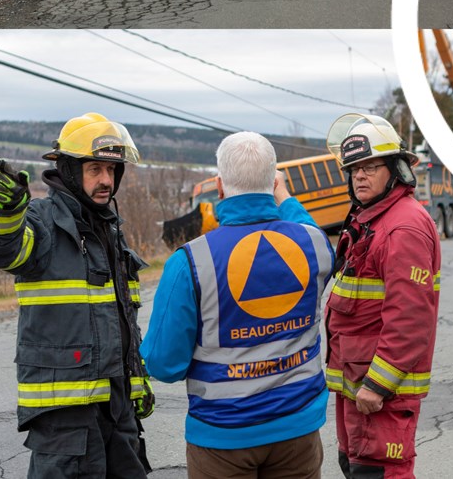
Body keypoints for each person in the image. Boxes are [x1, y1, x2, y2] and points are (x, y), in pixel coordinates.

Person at [140, 132, 333, 479]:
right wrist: (285, 196)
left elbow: (164, 364)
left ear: (218, 184)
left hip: (222, 437)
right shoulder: (314, 244)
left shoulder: (191, 260)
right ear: (274, 180)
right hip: (299, 429)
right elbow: (305, 225)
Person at [0, 113, 153, 479]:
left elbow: (121, 320)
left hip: (117, 407)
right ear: (69, 170)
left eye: (112, 170)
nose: (106, 180)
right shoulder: (41, 221)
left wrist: (137, 380)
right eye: (95, 169)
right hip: (65, 418)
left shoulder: (108, 229)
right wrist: (5, 212)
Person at [324, 114, 442, 479]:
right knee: (357, 466)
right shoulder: (372, 219)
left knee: (381, 473)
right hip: (358, 382)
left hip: (380, 391)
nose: (359, 175)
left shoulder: (402, 226)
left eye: (371, 167)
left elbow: (411, 317)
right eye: (355, 168)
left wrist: (378, 384)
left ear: (396, 170)